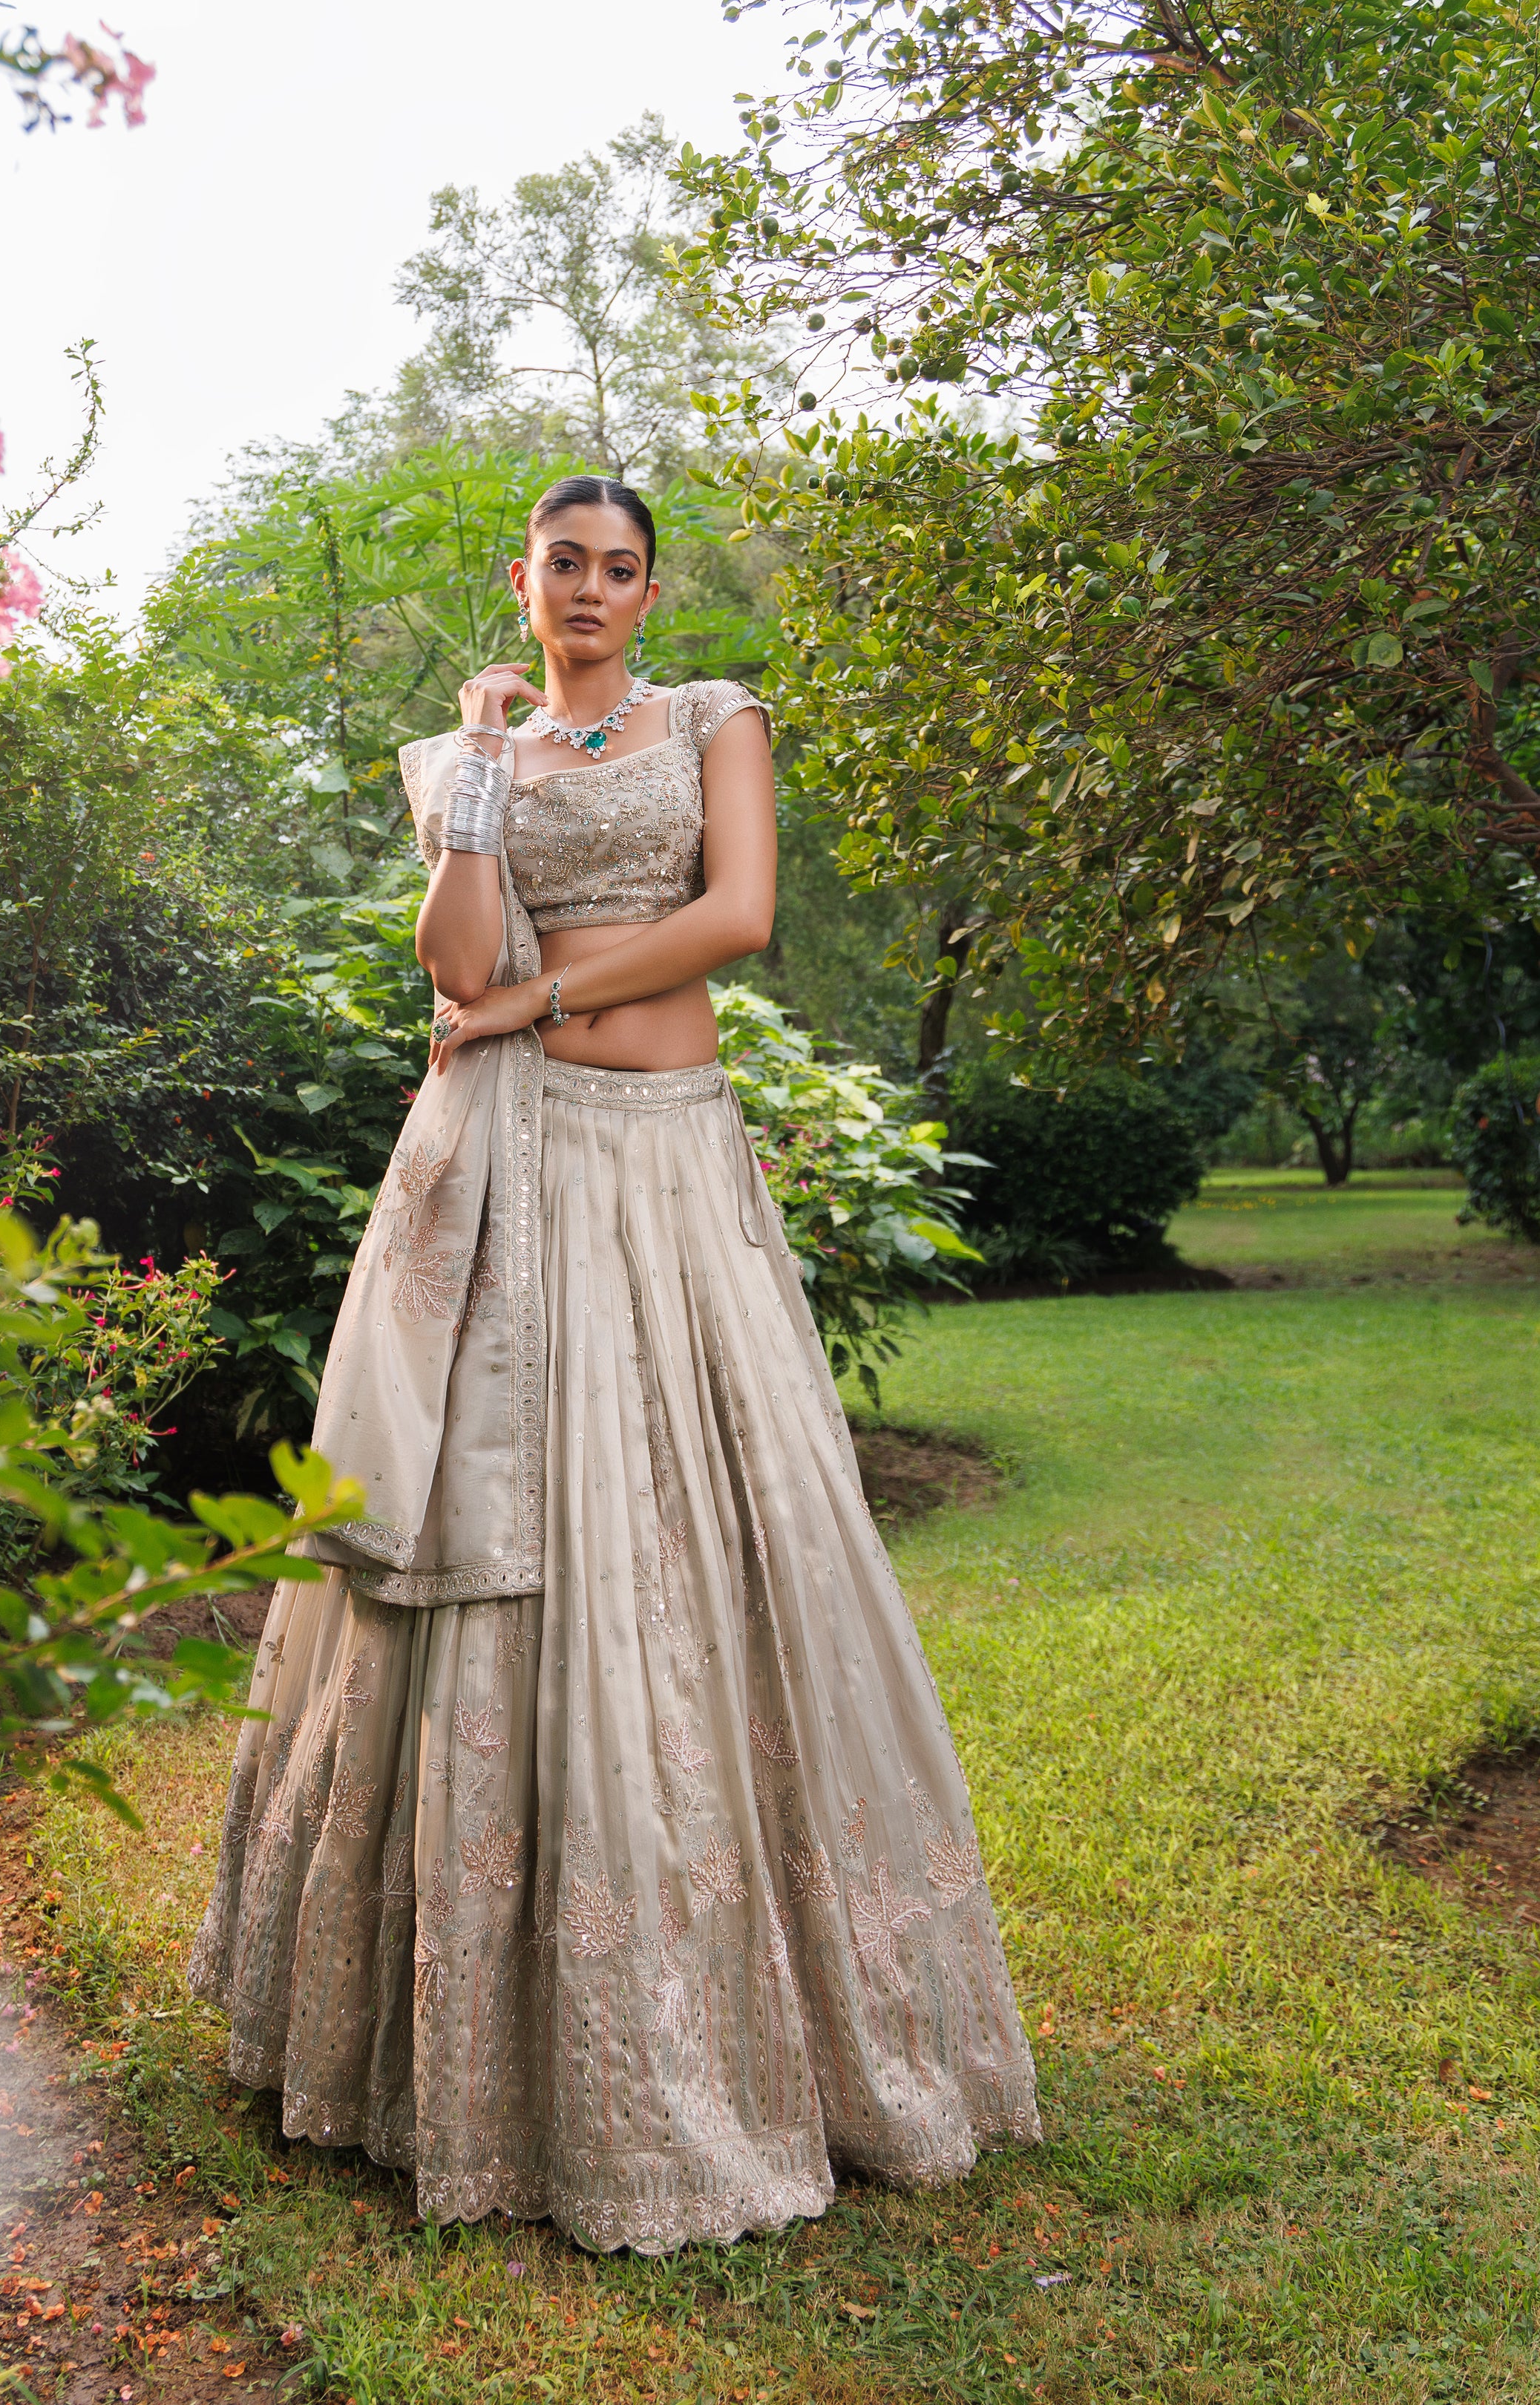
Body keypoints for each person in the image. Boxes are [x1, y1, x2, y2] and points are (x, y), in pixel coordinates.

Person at [189, 475, 1040, 2254]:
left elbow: (737, 919)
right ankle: (453, 2054)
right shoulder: (460, 755)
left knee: (694, 1534)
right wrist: (483, 773)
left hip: (661, 1165)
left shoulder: (716, 721)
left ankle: (770, 2027)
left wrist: (535, 1003)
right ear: (522, 579)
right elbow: (454, 952)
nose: (591, 588)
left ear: (652, 589)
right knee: (481, 1532)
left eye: (620, 566)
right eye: (562, 563)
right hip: (496, 1167)